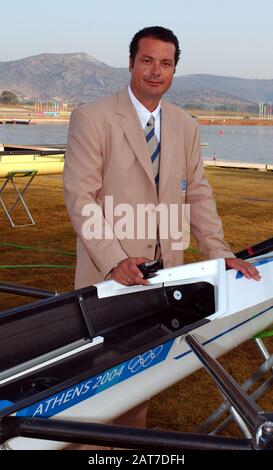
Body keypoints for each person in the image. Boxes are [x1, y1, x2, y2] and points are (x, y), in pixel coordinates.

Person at [63, 26, 260, 438]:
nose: (156, 71)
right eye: (147, 61)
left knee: (139, 389)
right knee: (94, 390)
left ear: (174, 70)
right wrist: (115, 259)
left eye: (165, 63)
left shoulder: (186, 125)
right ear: (132, 63)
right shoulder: (92, 117)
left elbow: (199, 195)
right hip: (110, 279)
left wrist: (218, 252)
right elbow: (81, 198)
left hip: (166, 278)